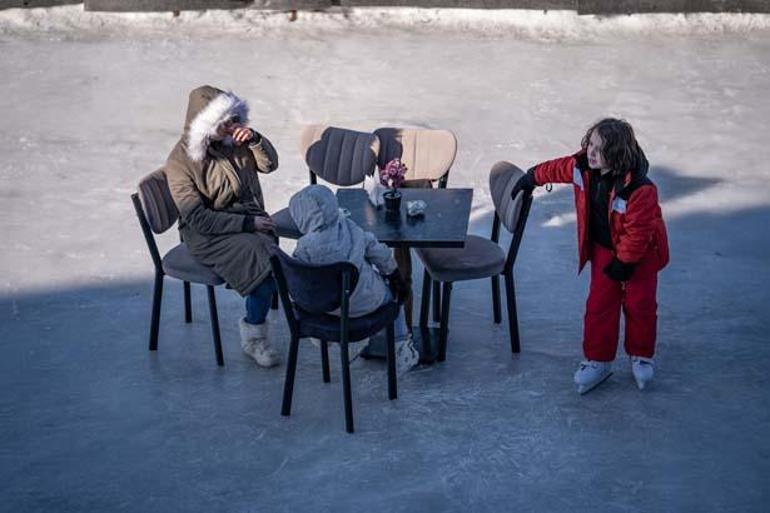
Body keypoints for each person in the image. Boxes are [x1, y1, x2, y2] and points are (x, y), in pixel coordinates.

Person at [511, 118, 669, 393]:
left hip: (641, 255)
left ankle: (641, 354)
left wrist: (625, 262)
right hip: (605, 248)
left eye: (600, 149)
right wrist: (531, 177)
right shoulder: (583, 167)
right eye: (591, 144)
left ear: (617, 154)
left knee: (640, 305)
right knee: (599, 304)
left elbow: (639, 232)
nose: (591, 152)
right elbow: (558, 168)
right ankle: (598, 360)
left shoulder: (640, 189)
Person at [165, 85, 281, 368]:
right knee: (261, 266)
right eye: (224, 122)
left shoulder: (237, 140)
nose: (232, 127)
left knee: (273, 258)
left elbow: (269, 166)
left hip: (246, 217)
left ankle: (278, 302)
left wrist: (255, 140)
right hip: (208, 232)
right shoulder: (180, 162)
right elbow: (198, 218)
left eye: (234, 119)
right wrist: (247, 223)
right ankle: (253, 336)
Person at [288, 184, 420, 375]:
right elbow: (380, 254)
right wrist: (394, 276)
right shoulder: (351, 229)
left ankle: (336, 339)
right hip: (364, 302)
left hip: (325, 310)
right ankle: (401, 346)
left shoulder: (304, 247)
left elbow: (300, 279)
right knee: (394, 298)